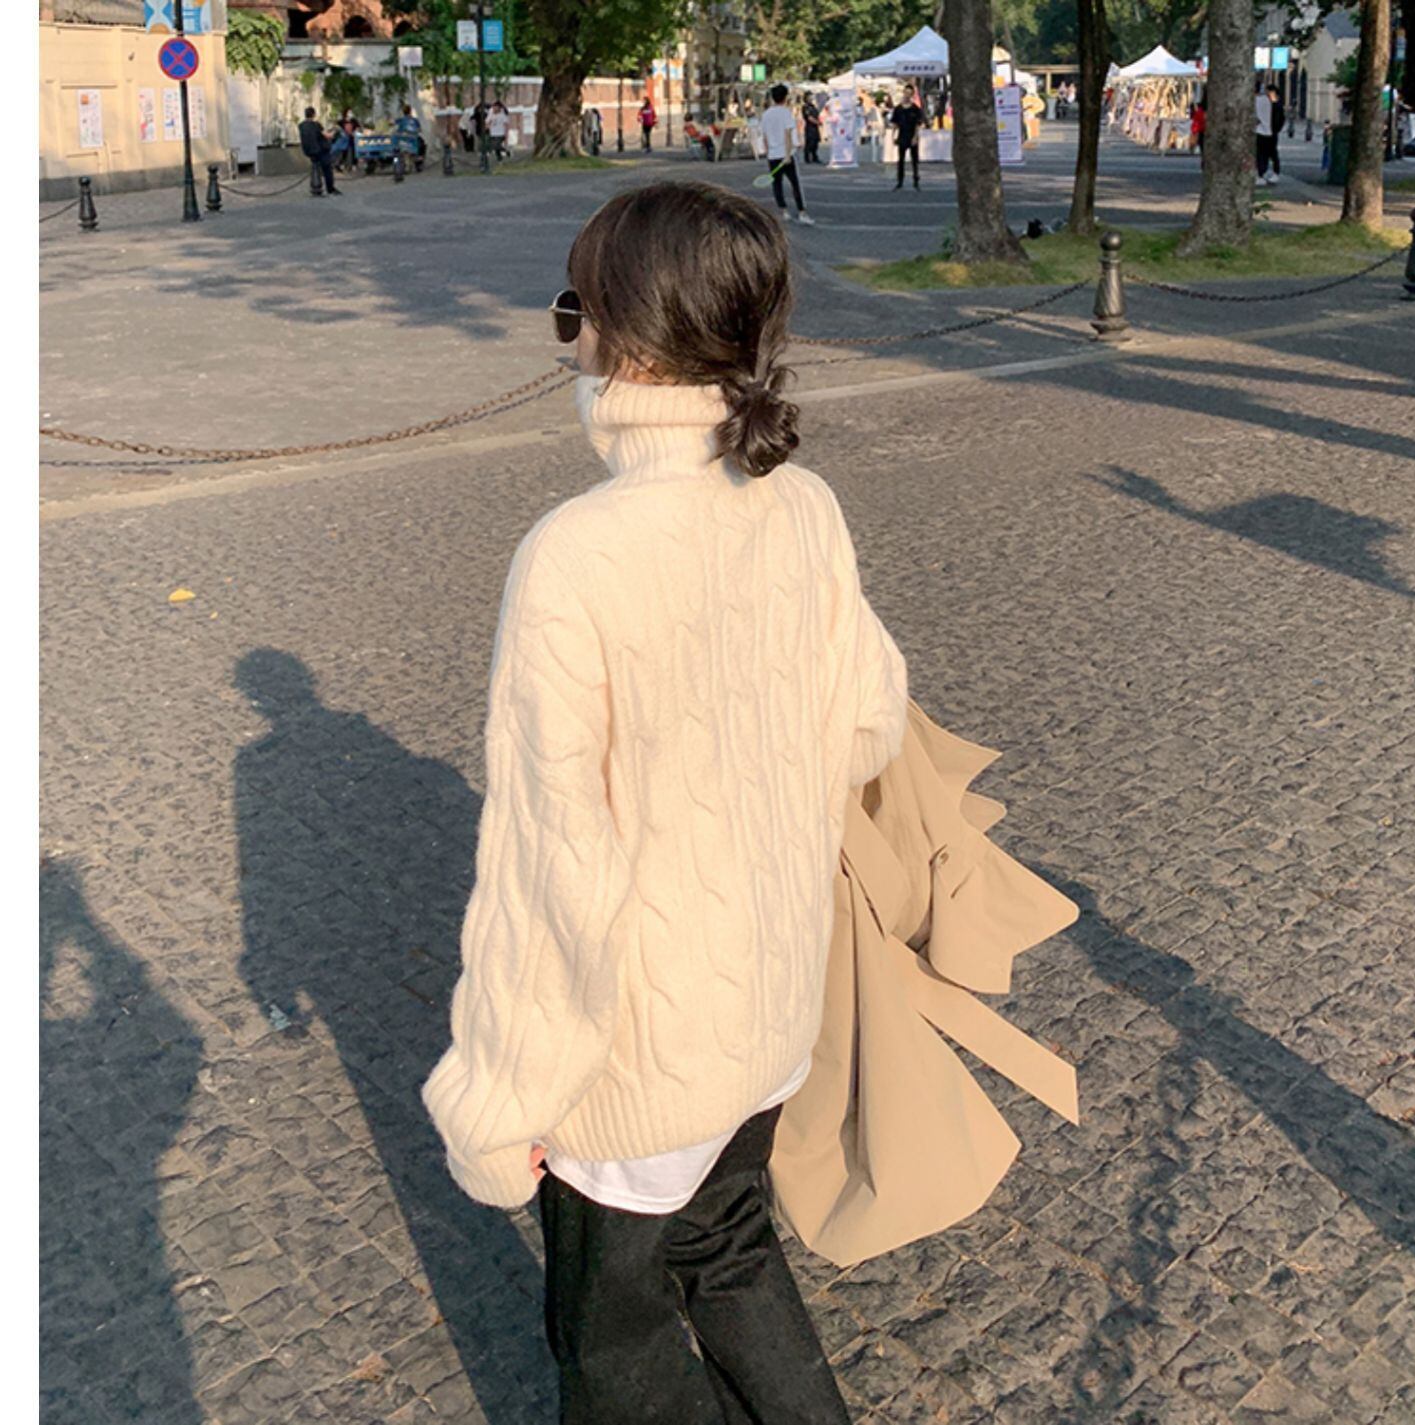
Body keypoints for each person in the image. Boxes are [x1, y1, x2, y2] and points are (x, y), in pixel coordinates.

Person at [423, 178, 900, 1424]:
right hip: (768, 1010)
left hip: (634, 1053)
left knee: (613, 1341)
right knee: (731, 1251)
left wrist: (504, 1098)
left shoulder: (577, 554)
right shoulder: (802, 504)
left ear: (627, 341)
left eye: (575, 307)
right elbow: (868, 723)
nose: (569, 333)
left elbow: (549, 870)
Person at [760, 83, 814, 225]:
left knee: (777, 184)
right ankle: (802, 212)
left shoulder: (766, 115)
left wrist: (768, 152)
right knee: (795, 183)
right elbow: (788, 134)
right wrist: (788, 154)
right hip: (785, 154)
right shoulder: (785, 113)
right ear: (785, 97)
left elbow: (764, 136)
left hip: (773, 155)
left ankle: (783, 210)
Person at [298, 106, 340, 196]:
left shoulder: (301, 126)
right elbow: (328, 136)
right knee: (327, 169)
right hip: (320, 151)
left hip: (309, 151)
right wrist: (335, 131)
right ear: (314, 114)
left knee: (315, 168)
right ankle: (330, 189)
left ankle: (316, 187)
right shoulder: (316, 125)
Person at [889, 83, 924, 190]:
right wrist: (893, 136)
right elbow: (895, 124)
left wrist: (915, 137)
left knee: (914, 160)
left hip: (912, 135)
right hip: (902, 135)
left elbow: (918, 124)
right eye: (906, 93)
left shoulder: (915, 109)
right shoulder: (898, 109)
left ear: (912, 95)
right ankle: (900, 181)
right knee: (901, 160)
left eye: (909, 93)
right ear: (903, 93)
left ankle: (916, 180)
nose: (907, 95)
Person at [1254, 83, 1275, 184]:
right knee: (1265, 155)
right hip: (1268, 131)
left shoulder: (1255, 100)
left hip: (1258, 130)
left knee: (1258, 154)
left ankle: (1259, 174)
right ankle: (1262, 173)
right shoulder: (1267, 100)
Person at [1268, 85, 1285, 182]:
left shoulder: (1277, 104)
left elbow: (1281, 118)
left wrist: (1276, 129)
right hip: (1268, 130)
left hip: (1272, 131)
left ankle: (1275, 172)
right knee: (1266, 152)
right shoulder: (1271, 103)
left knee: (1273, 152)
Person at [802, 92, 822, 163]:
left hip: (815, 127)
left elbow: (817, 114)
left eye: (811, 97)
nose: (811, 98)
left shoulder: (813, 106)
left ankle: (814, 157)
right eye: (809, 97)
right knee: (810, 143)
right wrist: (817, 122)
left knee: (815, 142)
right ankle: (807, 158)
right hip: (809, 127)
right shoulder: (805, 107)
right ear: (806, 98)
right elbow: (809, 117)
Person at [1190, 94, 1207, 164]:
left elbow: (1196, 123)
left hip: (1201, 132)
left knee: (1203, 147)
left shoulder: (1200, 111)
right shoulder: (1200, 112)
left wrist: (1194, 132)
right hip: (1203, 131)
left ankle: (1204, 159)